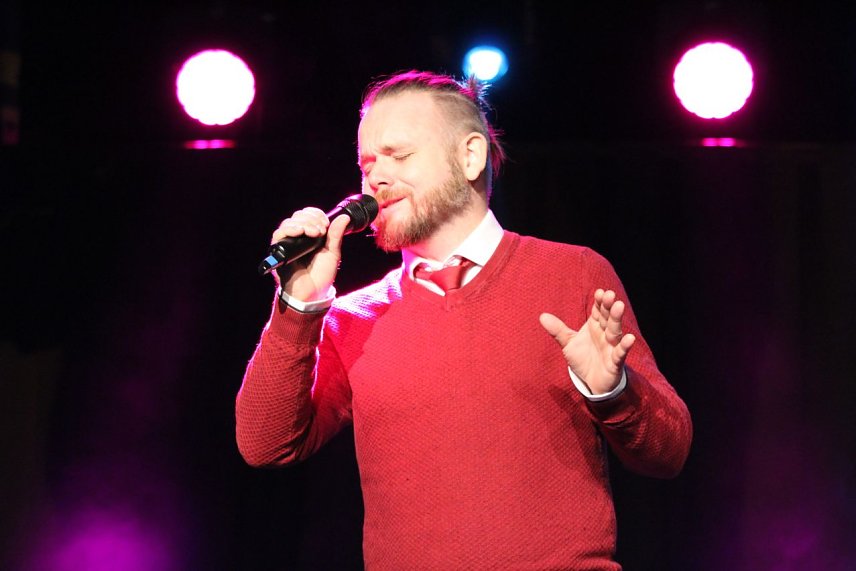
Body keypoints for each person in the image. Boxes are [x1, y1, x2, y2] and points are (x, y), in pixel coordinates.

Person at [236, 70, 692, 570]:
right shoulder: (353, 316)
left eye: (399, 156)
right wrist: (300, 306)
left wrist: (612, 391)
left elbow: (668, 452)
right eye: (367, 165)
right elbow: (265, 444)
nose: (377, 178)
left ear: (469, 157)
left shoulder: (571, 273)